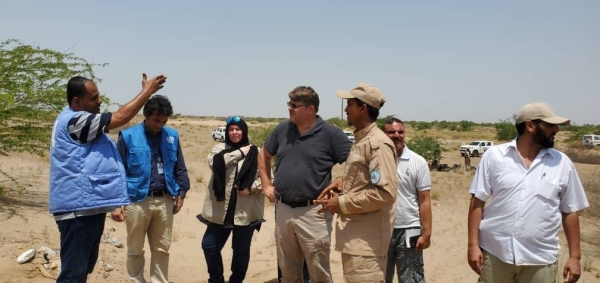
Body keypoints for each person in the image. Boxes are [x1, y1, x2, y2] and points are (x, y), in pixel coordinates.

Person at [49, 73, 166, 282]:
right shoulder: (75, 121)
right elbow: (119, 118)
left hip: (87, 208)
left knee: (82, 270)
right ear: (77, 101)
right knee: (73, 274)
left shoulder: (80, 121)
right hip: (77, 211)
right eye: (93, 98)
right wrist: (147, 92)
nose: (100, 101)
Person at [467, 102, 589, 283]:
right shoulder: (495, 156)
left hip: (540, 259)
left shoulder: (562, 163)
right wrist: (472, 246)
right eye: (550, 125)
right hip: (496, 253)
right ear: (530, 125)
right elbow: (477, 202)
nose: (556, 129)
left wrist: (575, 257)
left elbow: (570, 211)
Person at [258, 86, 352, 283]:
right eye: (289, 104)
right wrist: (266, 184)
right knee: (288, 269)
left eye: (294, 105)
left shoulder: (331, 134)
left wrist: (342, 180)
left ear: (310, 109)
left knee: (318, 271)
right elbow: (264, 154)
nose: (289, 108)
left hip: (314, 212)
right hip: (282, 209)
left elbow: (357, 162)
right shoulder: (282, 129)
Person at [315, 82, 398, 283]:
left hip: (366, 246)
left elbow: (385, 194)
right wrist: (344, 182)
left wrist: (341, 203)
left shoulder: (377, 144)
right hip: (356, 240)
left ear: (363, 108)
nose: (345, 110)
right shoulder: (361, 140)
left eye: (349, 104)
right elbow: (367, 180)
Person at [114, 95, 190, 283]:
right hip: (136, 201)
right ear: (146, 116)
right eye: (156, 120)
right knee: (135, 249)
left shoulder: (172, 136)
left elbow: (180, 166)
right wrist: (117, 202)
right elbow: (118, 170)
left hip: (165, 200)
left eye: (164, 121)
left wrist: (182, 192)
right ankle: (136, 280)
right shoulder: (128, 136)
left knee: (162, 249)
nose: (160, 125)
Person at [198, 116, 265, 283]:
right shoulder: (219, 148)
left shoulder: (257, 152)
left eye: (238, 129)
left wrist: (251, 188)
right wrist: (240, 152)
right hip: (221, 210)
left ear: (244, 131)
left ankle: (236, 280)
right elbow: (215, 164)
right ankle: (216, 279)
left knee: (241, 251)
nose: (234, 132)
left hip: (245, 211)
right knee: (209, 245)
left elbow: (267, 179)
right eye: (231, 129)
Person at [381, 117, 432, 283]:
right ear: (383, 134)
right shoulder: (376, 161)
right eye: (391, 132)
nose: (397, 135)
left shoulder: (418, 162)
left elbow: (425, 200)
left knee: (411, 278)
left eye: (400, 132)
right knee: (380, 277)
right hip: (382, 228)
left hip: (410, 229)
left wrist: (426, 233)